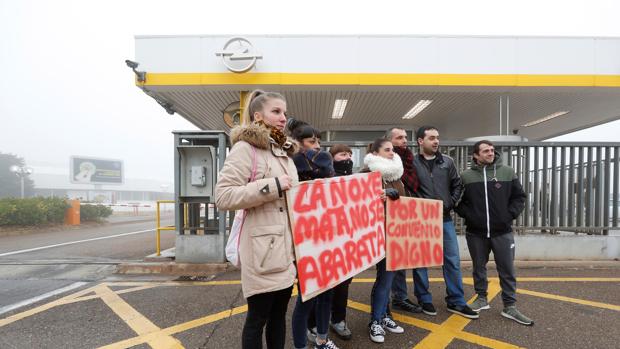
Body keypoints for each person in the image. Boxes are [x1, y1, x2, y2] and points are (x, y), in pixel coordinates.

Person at [215, 90, 298, 349]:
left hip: (287, 251)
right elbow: (223, 196)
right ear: (258, 116)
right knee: (257, 319)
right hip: (262, 252)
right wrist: (271, 186)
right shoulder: (245, 149)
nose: (283, 118)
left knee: (278, 317)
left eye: (284, 112)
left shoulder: (283, 153)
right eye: (276, 112)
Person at [455, 140, 533, 326]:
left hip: (502, 232)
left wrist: (509, 215)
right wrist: (470, 215)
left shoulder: (506, 172)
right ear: (475, 155)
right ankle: (481, 299)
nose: (490, 153)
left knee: (507, 269)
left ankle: (510, 306)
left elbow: (519, 197)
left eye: (492, 150)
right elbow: (457, 201)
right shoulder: (466, 176)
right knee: (478, 268)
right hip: (476, 232)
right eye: (485, 151)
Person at [411, 126, 479, 319]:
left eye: (437, 138)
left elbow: (457, 183)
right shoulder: (412, 163)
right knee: (420, 262)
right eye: (431, 138)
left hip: (445, 219)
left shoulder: (447, 162)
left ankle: (456, 301)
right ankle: (424, 298)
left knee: (452, 261)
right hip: (421, 220)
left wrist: (451, 202)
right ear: (420, 141)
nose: (436, 141)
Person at [287, 119, 339, 349]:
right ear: (297, 143)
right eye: (312, 141)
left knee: (326, 294)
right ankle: (301, 346)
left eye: (319, 141)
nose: (318, 145)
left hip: (326, 235)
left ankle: (322, 339)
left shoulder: (326, 167)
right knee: (307, 298)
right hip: (303, 239)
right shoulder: (289, 167)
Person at [362, 138, 406, 344]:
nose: (392, 153)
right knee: (384, 278)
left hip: (394, 235)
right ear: (376, 153)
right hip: (375, 235)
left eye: (392, 150)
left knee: (387, 278)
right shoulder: (366, 176)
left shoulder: (398, 177)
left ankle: (384, 316)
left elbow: (405, 206)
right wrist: (377, 196)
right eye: (387, 150)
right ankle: (375, 321)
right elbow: (357, 203)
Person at [384, 127, 423, 314]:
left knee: (401, 260)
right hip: (385, 221)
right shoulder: (382, 164)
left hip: (405, 217)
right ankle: (384, 305)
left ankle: (399, 297)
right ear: (389, 142)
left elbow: (415, 186)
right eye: (399, 138)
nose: (405, 140)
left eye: (406, 137)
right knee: (387, 267)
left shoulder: (408, 160)